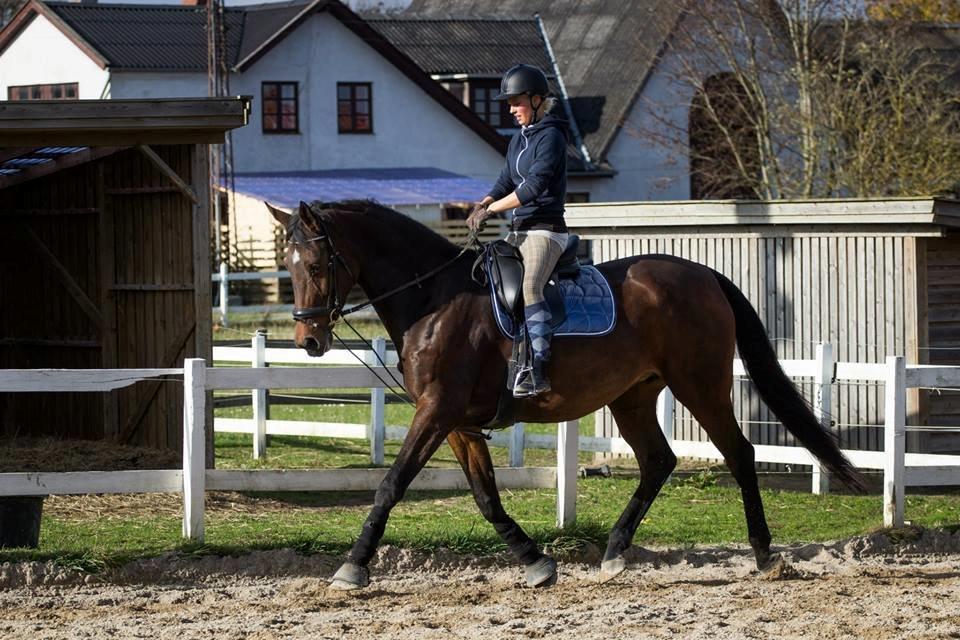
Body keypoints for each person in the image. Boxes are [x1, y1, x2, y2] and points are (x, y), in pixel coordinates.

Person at [467, 63, 570, 397]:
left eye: (517, 102)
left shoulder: (552, 136)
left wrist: (491, 210)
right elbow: (505, 181)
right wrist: (482, 203)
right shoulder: (518, 141)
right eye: (509, 103)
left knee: (529, 287)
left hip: (546, 232)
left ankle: (538, 367)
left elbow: (534, 187)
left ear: (538, 100)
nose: (511, 109)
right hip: (518, 231)